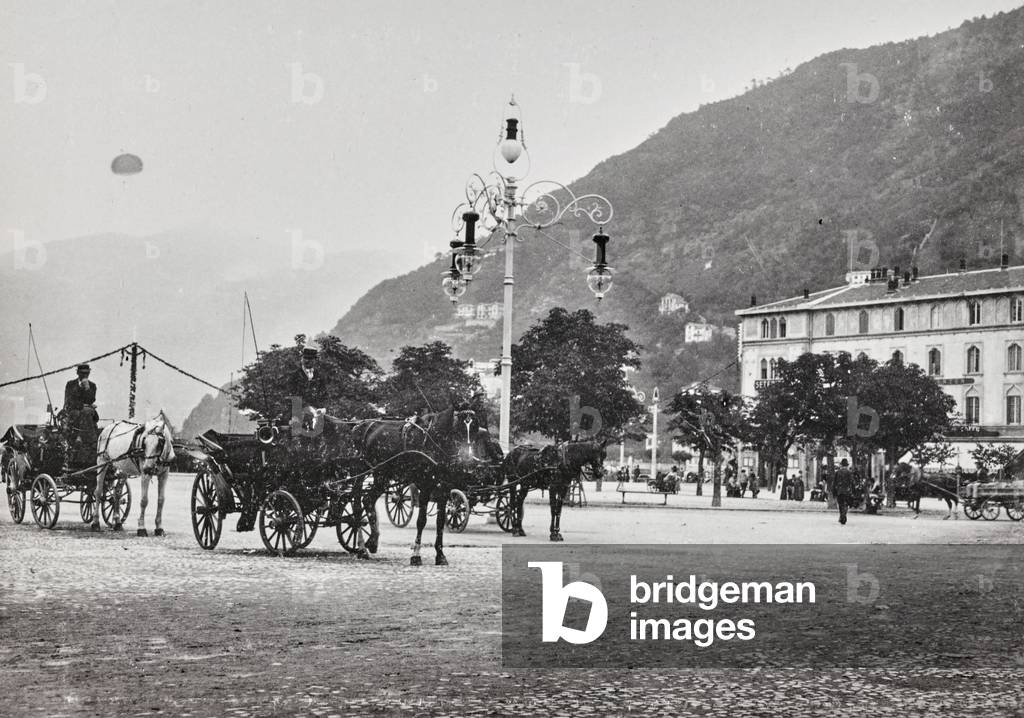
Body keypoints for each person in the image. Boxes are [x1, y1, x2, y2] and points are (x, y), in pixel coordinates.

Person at [62, 364, 99, 465]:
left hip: (86, 414)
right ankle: (86, 438)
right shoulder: (70, 384)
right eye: (82, 373)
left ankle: (85, 439)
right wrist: (83, 405)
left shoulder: (92, 386)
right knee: (86, 412)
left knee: (88, 413)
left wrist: (87, 389)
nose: (85, 376)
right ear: (78, 373)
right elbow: (69, 401)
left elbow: (91, 399)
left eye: (87, 373)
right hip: (73, 412)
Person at [831, 458, 858, 525]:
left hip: (839, 491)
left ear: (841, 465)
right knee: (846, 504)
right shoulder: (849, 472)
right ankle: (843, 515)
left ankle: (842, 516)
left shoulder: (837, 472)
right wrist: (854, 491)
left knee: (840, 504)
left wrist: (834, 491)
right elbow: (852, 482)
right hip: (847, 491)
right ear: (847, 465)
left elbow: (834, 483)